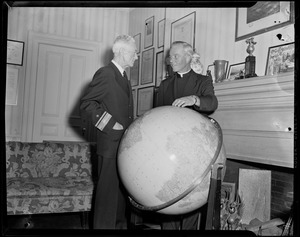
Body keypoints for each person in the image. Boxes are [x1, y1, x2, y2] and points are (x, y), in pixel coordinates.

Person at [155, 41, 218, 229]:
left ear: (189, 57)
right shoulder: (164, 85)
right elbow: (157, 117)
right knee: (169, 195)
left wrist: (194, 99)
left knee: (191, 198)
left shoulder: (203, 81)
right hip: (170, 151)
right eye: (170, 57)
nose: (171, 60)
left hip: (193, 151)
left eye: (176, 56)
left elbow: (212, 102)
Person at [80, 35, 137, 229]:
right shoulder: (106, 73)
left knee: (120, 198)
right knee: (107, 198)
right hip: (109, 146)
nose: (136, 57)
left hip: (122, 147)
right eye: (134, 52)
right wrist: (110, 123)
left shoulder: (123, 77)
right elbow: (87, 105)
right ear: (121, 52)